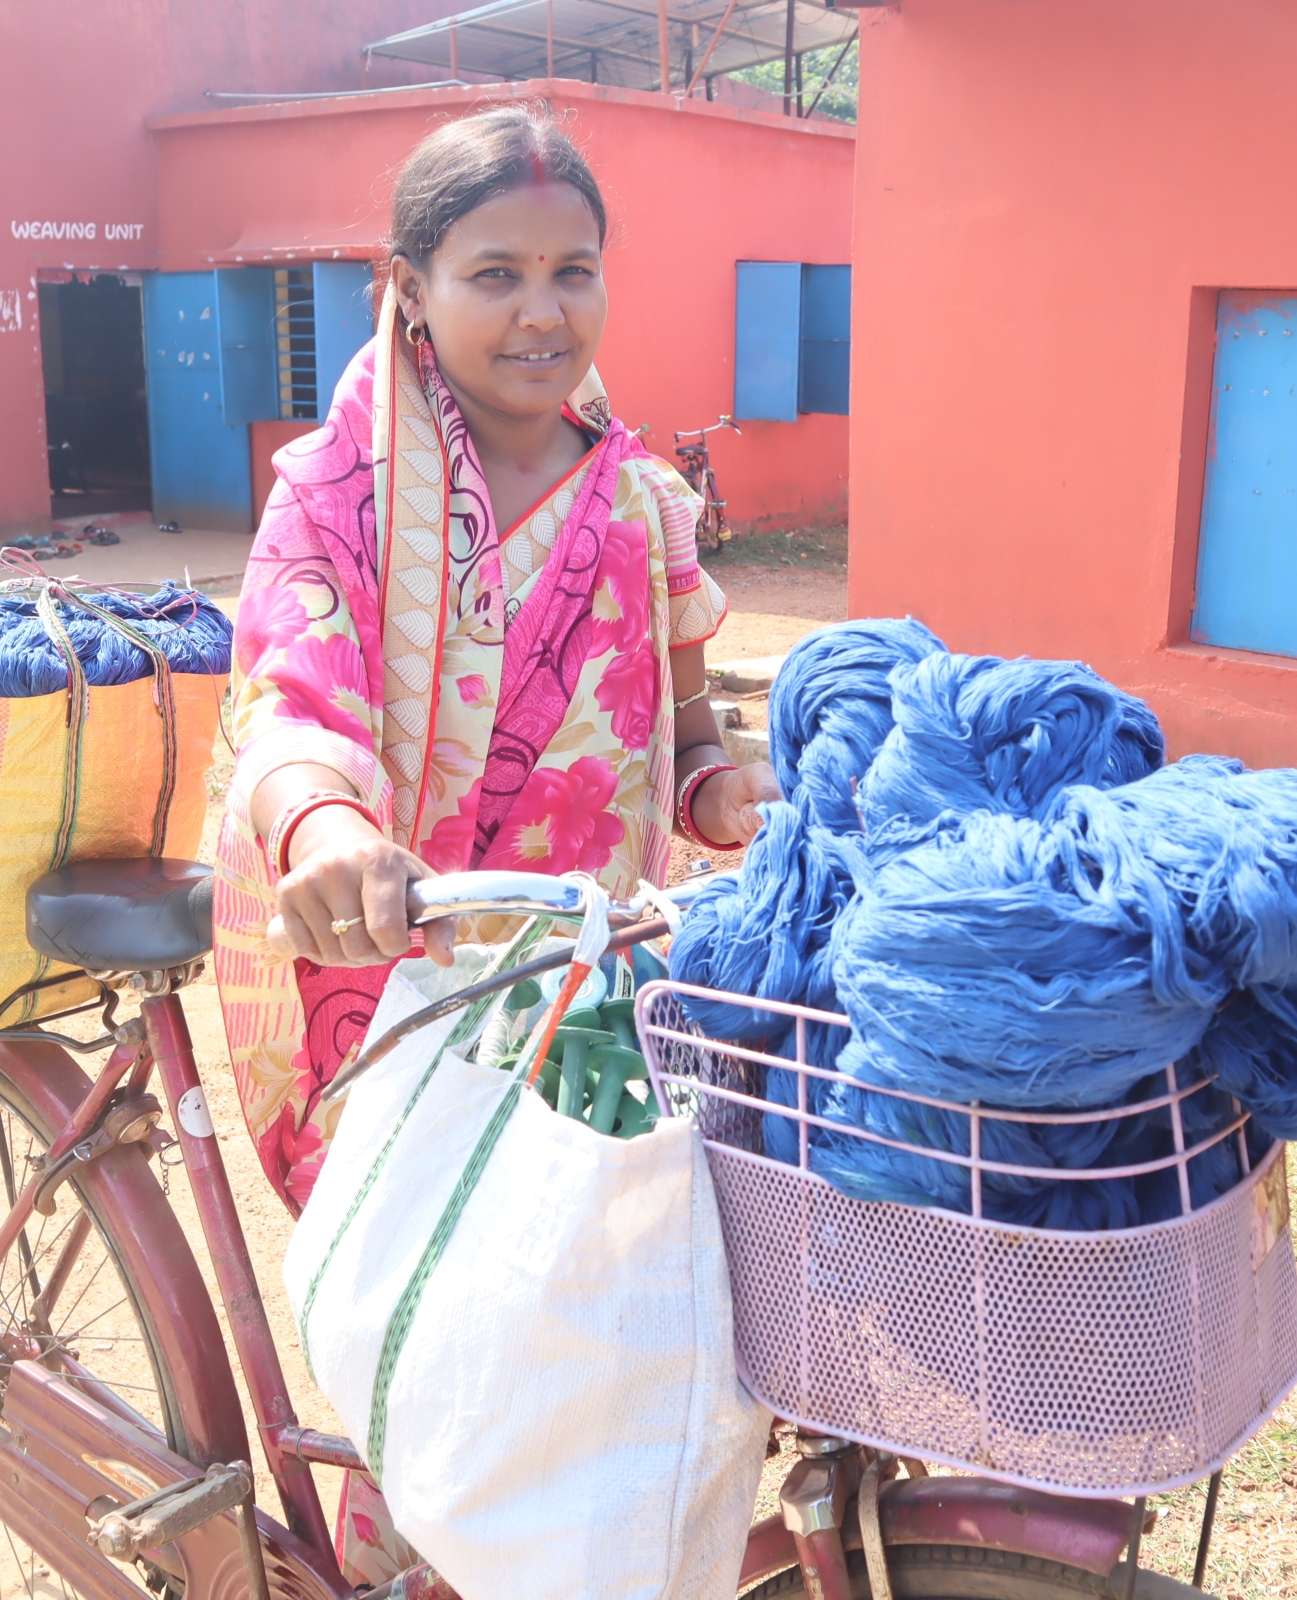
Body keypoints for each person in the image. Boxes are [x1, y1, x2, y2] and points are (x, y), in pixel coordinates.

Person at [212, 100, 777, 1226]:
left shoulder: (642, 507)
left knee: (596, 1284)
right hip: (398, 967)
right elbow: (287, 704)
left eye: (574, 270)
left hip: (589, 983)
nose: (541, 312)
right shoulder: (337, 494)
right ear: (412, 289)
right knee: (439, 1323)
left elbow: (690, 736)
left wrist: (738, 796)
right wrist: (328, 835)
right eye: (494, 275)